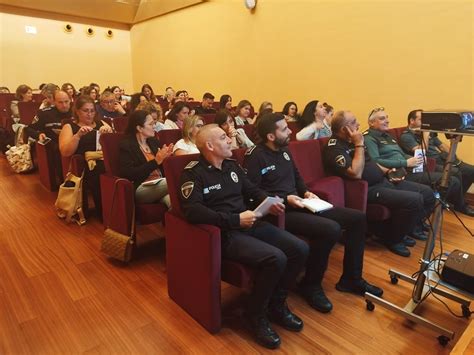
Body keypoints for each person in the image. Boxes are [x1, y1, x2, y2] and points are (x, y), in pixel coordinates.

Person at [179, 123, 309, 349]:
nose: (230, 140)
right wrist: (234, 220)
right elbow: (193, 211)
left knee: (300, 249)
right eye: (223, 137)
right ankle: (255, 315)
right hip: (226, 233)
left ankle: (276, 304)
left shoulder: (232, 166)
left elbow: (252, 190)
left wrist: (271, 202)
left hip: (250, 223)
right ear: (209, 145)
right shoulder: (193, 173)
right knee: (276, 258)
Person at [244, 112, 383, 313]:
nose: (289, 131)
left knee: (357, 219)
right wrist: (285, 199)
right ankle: (311, 284)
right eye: (284, 129)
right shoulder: (255, 156)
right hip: (281, 212)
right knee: (331, 229)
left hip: (300, 203)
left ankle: (351, 278)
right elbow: (252, 193)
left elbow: (297, 177)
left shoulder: (284, 151)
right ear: (270, 136)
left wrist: (306, 192)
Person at [324, 111, 436, 256]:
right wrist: (359, 144)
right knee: (414, 200)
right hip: (367, 189)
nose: (358, 124)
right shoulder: (334, 147)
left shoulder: (353, 141)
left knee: (427, 193)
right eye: (353, 122)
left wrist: (389, 172)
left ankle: (406, 230)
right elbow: (355, 173)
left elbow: (372, 163)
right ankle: (393, 239)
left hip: (383, 180)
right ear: (344, 129)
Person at [364, 107, 474, 217]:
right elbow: (375, 161)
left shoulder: (387, 135)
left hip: (411, 167)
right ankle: (441, 210)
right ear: (371, 122)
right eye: (382, 118)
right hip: (400, 172)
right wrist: (406, 163)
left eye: (387, 118)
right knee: (450, 181)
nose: (387, 120)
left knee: (454, 178)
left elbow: (401, 154)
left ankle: (434, 211)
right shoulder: (369, 138)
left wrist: (416, 159)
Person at [59, 95, 113, 217]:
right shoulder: (69, 126)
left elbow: (114, 144)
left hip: (103, 158)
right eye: (85, 111)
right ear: (77, 112)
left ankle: (119, 208)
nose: (89, 114)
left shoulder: (101, 123)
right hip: (84, 165)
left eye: (92, 111)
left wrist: (109, 132)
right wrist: (77, 136)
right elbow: (65, 152)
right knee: (99, 169)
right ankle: (104, 212)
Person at [400, 109, 474, 196]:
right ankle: (458, 203)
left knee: (471, 171)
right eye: (421, 120)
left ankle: (457, 198)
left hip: (441, 158)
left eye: (425, 120)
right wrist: (425, 134)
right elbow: (422, 152)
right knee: (456, 172)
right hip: (431, 162)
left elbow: (441, 146)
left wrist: (453, 155)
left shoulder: (427, 132)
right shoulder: (406, 136)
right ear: (412, 121)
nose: (424, 123)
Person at [119, 110, 173, 208]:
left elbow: (161, 166)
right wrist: (156, 161)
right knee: (174, 181)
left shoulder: (153, 142)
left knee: (174, 202)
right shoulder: (127, 145)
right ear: (139, 128)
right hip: (142, 187)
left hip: (160, 184)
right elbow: (129, 174)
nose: (154, 126)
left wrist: (166, 159)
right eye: (151, 124)